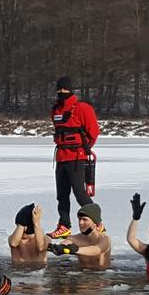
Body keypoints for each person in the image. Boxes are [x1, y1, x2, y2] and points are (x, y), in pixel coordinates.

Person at [47, 76, 100, 239]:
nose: (61, 92)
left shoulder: (83, 108)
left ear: (71, 90)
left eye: (64, 89)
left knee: (79, 193)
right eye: (59, 89)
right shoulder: (56, 110)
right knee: (61, 195)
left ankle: (97, 223)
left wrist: (85, 149)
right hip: (61, 157)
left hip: (77, 157)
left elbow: (94, 132)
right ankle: (64, 225)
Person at [47, 203, 111, 269]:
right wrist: (57, 248)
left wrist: (74, 249)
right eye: (79, 219)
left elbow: (97, 250)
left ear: (94, 222)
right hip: (82, 275)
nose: (81, 223)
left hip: (103, 275)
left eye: (84, 219)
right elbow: (64, 245)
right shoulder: (75, 239)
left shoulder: (104, 239)